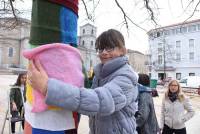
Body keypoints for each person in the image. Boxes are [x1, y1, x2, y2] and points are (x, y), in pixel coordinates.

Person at [28, 29, 139, 134]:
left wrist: (48, 87)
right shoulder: (100, 75)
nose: (104, 53)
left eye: (110, 48)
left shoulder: (126, 76)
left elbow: (100, 102)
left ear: (122, 50)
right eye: (101, 49)